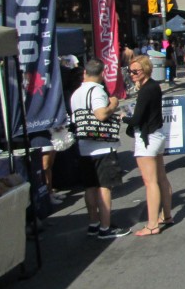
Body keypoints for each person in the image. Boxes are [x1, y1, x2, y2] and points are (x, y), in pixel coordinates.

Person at [71, 59, 130, 238]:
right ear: (102, 74)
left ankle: (94, 223)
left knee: (90, 187)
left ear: (84, 73)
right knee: (105, 186)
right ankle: (106, 227)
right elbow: (101, 114)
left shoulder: (76, 93)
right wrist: (113, 103)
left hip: (84, 145)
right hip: (101, 146)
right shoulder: (97, 91)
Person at [124, 56, 173, 237]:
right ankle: (166, 215)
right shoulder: (153, 86)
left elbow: (137, 119)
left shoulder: (147, 89)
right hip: (157, 136)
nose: (132, 74)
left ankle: (152, 224)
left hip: (148, 138)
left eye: (136, 71)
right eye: (130, 71)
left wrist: (123, 117)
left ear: (145, 69)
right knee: (161, 178)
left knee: (150, 182)